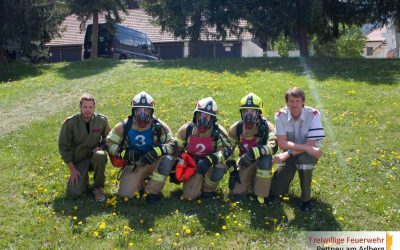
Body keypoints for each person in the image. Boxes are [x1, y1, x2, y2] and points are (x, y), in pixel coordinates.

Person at [106, 91, 176, 204]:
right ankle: (141, 181)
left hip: (154, 161)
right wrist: (124, 153)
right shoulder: (124, 126)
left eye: (146, 110)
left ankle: (152, 191)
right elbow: (108, 143)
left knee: (167, 160)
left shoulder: (158, 125)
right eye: (139, 110)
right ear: (133, 111)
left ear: (151, 111)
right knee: (126, 195)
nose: (142, 114)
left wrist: (156, 152)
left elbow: (172, 144)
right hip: (134, 164)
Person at [271, 87, 325, 211]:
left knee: (304, 161)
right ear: (286, 103)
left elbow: (310, 144)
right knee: (275, 191)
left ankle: (305, 200)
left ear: (303, 102)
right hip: (295, 153)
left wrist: (288, 154)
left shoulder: (314, 115)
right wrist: (290, 153)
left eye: (297, 101)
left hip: (307, 155)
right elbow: (283, 144)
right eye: (291, 101)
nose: (294, 104)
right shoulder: (280, 116)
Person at [175, 97, 232, 200]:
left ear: (213, 119)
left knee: (220, 167)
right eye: (201, 115)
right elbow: (176, 148)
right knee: (189, 197)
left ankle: (209, 190)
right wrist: (179, 165)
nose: (204, 119)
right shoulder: (187, 129)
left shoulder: (218, 132)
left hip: (210, 165)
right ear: (195, 115)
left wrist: (210, 159)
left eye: (208, 117)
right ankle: (193, 184)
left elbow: (226, 151)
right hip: (192, 165)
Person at [58, 94, 111, 201]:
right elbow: (63, 148)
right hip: (78, 161)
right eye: (85, 107)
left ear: (94, 107)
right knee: (74, 192)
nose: (88, 110)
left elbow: (109, 139)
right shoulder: (70, 123)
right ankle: (83, 178)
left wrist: (102, 147)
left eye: (90, 107)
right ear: (80, 107)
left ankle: (98, 187)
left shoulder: (101, 120)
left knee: (100, 155)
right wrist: (72, 169)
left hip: (94, 158)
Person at [228, 93, 278, 204]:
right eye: (246, 112)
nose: (248, 115)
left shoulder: (268, 127)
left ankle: (261, 194)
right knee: (236, 191)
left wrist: (253, 152)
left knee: (265, 160)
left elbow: (273, 147)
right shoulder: (236, 128)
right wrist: (232, 171)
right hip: (245, 161)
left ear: (259, 113)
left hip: (260, 160)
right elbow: (228, 150)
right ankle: (251, 183)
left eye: (252, 112)